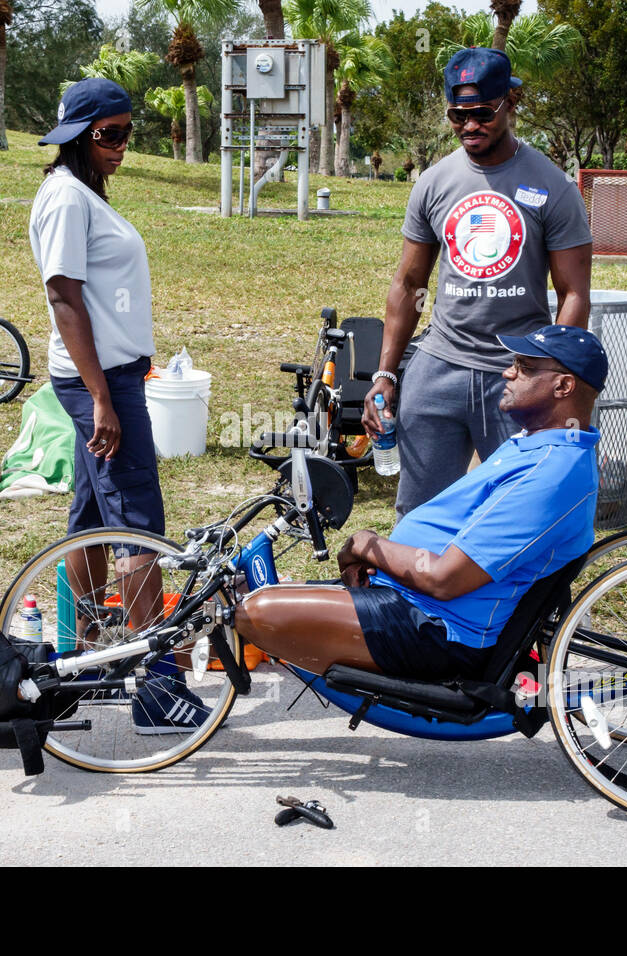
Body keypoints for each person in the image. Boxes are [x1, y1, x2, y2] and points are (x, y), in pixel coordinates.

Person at [237, 326, 606, 680]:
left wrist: (366, 545)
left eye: (524, 368)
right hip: (409, 601)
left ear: (563, 385)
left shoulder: (550, 473)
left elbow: (445, 579)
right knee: (237, 586)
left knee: (254, 611)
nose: (508, 373)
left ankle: (178, 703)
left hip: (436, 627)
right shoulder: (539, 445)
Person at [28, 78, 206, 733]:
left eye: (128, 134)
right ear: (77, 134)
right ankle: (155, 684)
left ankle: (89, 656)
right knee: (136, 523)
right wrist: (104, 396)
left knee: (92, 517)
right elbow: (65, 298)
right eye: (109, 136)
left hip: (109, 376)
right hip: (98, 382)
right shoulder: (67, 199)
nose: (122, 147)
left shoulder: (81, 194)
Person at [362, 47, 594, 517]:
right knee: (418, 518)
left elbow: (574, 294)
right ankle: (415, 592)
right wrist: (385, 373)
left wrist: (544, 376)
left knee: (524, 518)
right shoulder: (433, 183)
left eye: (482, 113)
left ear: (510, 102)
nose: (470, 126)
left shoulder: (551, 186)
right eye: (457, 115)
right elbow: (409, 285)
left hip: (514, 374)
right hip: (439, 367)